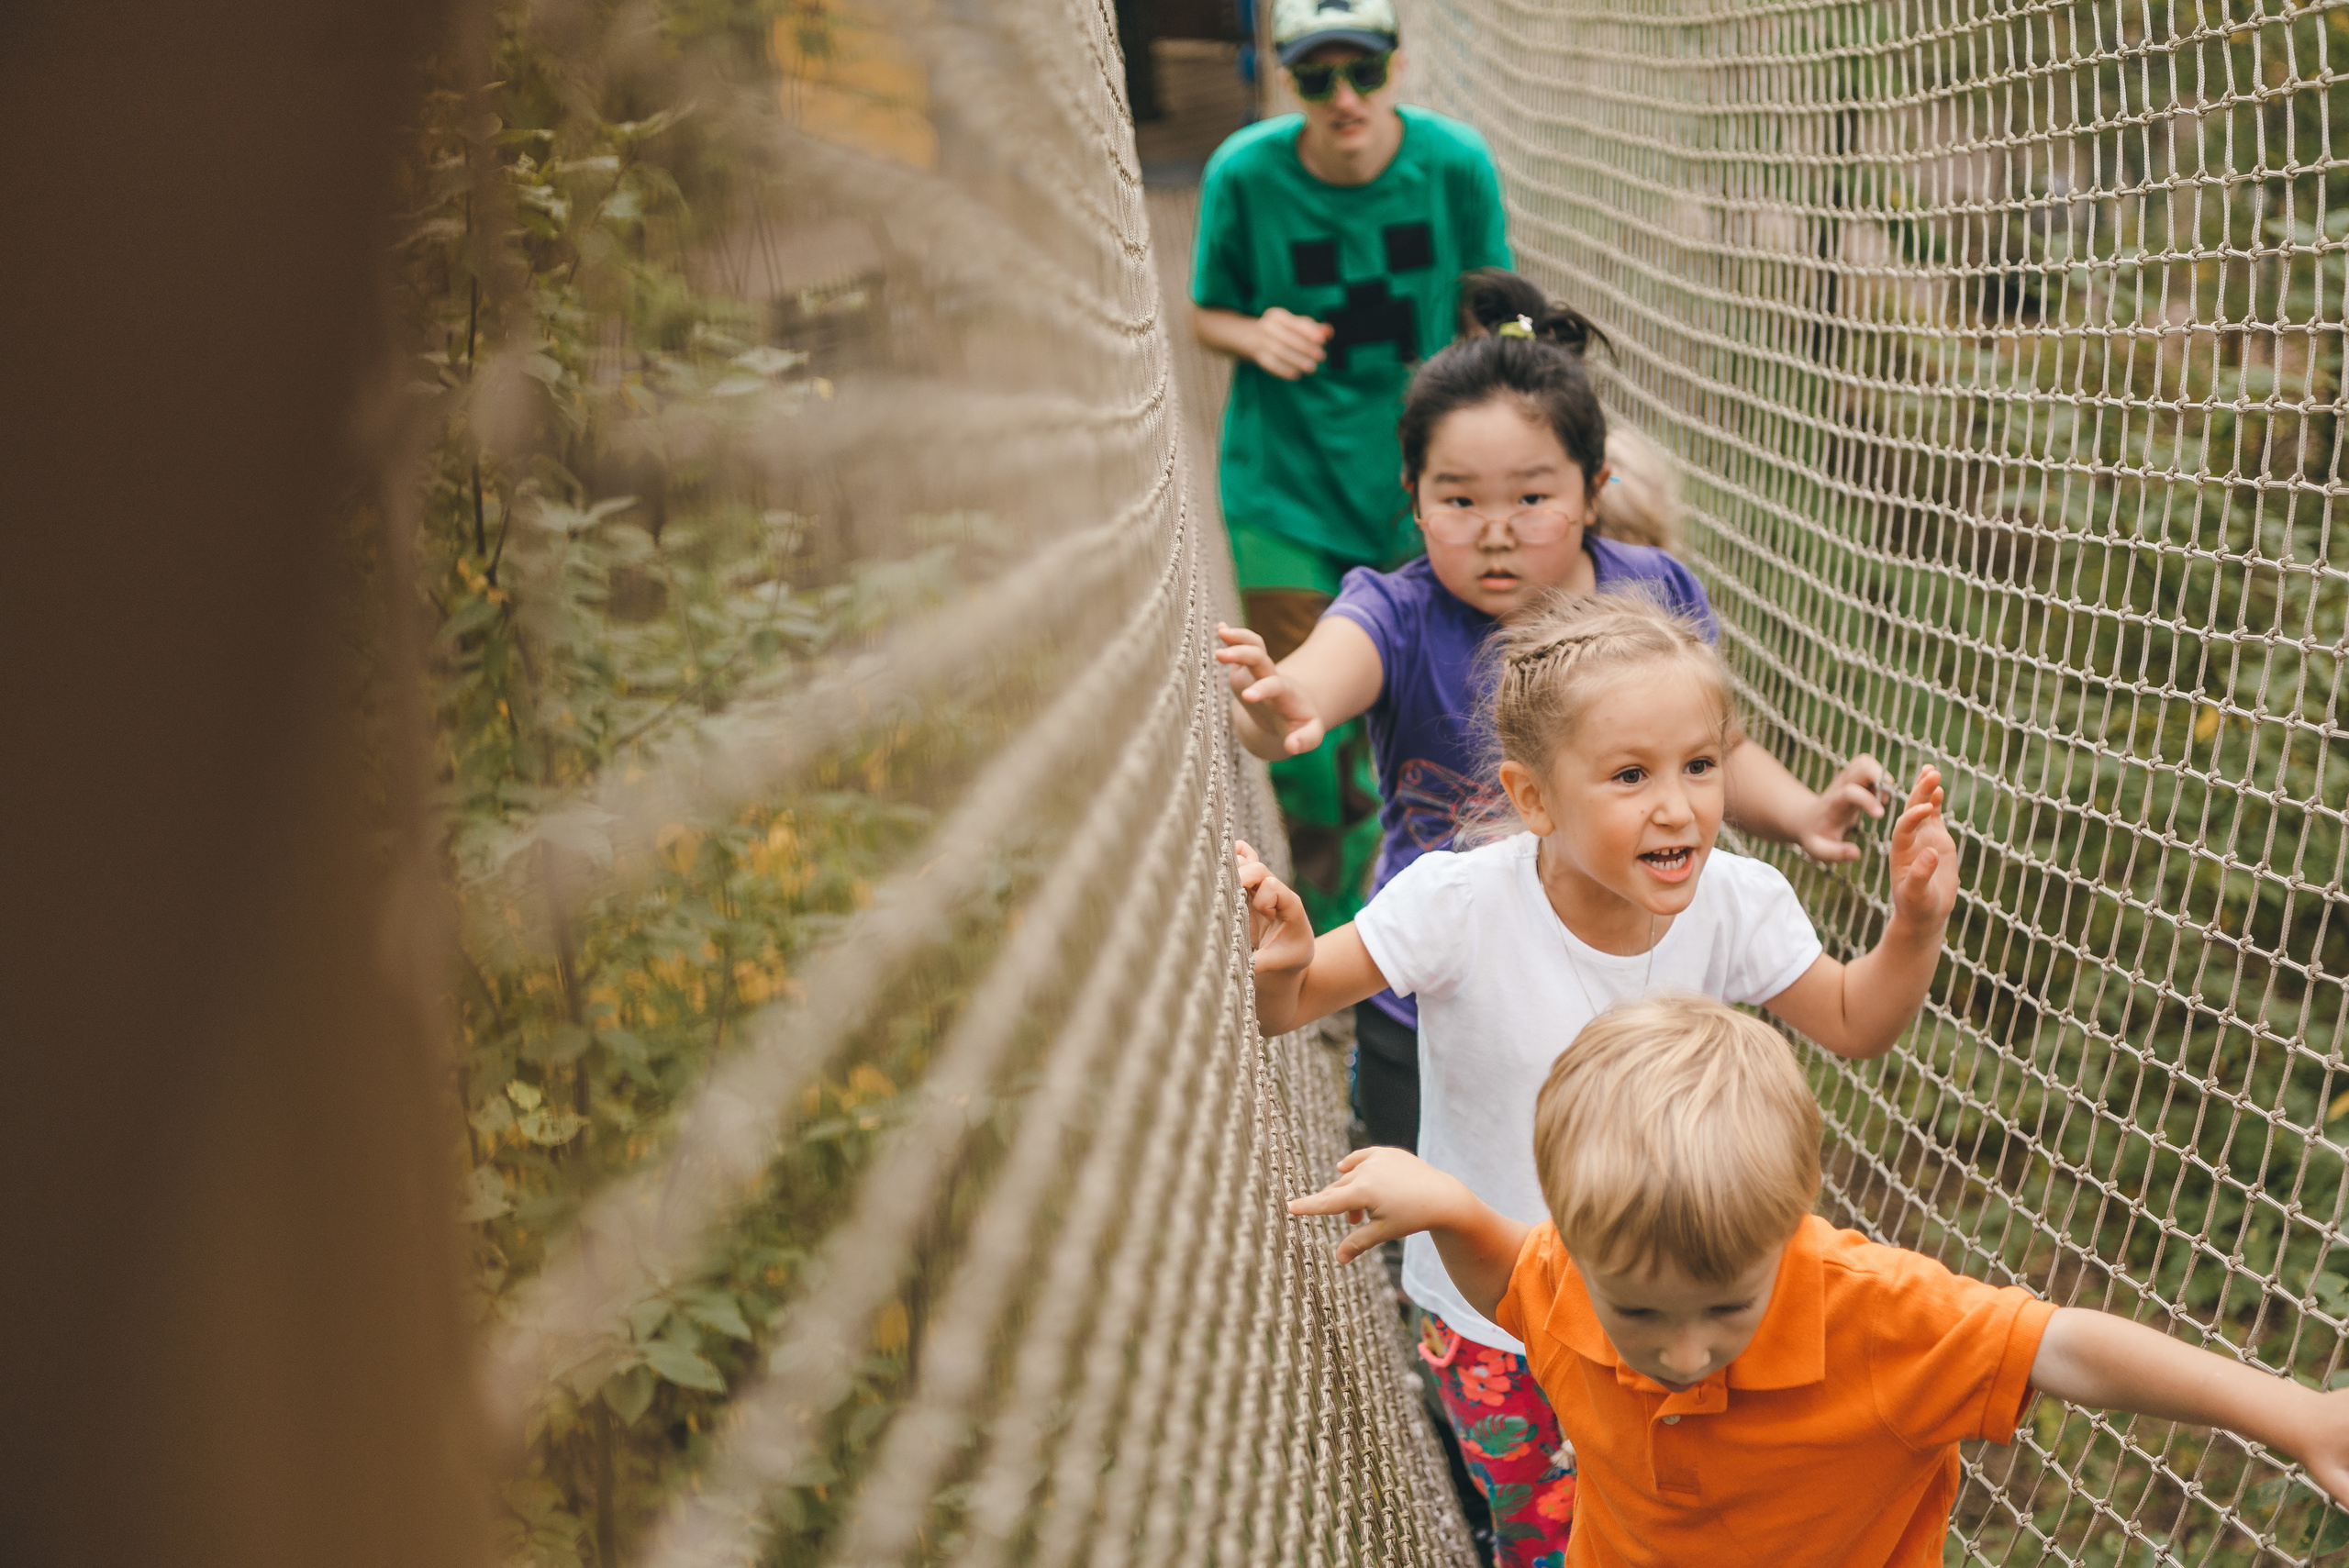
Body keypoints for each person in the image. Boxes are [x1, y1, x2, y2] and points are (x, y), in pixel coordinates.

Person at [1231, 592, 1959, 1562]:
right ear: (1533, 798)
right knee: (1547, 1540)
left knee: (1672, 1527)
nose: (1679, 804)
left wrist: (1912, 925)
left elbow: (1852, 1018)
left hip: (1668, 1308)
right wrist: (1282, 956)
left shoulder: (1735, 900)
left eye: (1700, 766)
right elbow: (1288, 1004)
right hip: (1496, 1323)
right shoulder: (1459, 905)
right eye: (1629, 774)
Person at [1288, 993, 2349, 1566]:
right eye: (1642, 1313)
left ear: (1786, 1229)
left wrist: (2291, 1411)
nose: (1684, 1349)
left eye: (1727, 1307)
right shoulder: (1581, 1264)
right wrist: (1455, 1206)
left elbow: (2062, 1346)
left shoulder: (1877, 1313)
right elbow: (1517, 1275)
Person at [1216, 294, 1887, 1155]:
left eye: (1533, 497)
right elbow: (1304, 694)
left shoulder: (1652, 591)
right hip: (1433, 994)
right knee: (1439, 1226)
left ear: (1594, 490)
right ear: (1413, 499)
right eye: (1457, 501)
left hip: (1625, 986)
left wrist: (1801, 812)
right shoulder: (1399, 612)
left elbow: (1717, 747)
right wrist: (1277, 705)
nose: (1496, 533)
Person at [1192, 0, 1511, 933]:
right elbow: (1205, 312)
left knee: (1417, 703)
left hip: (1415, 494)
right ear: (1288, 80)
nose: (1343, 98)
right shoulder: (1242, 175)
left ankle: (1406, 917)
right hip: (1282, 487)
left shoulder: (1453, 164)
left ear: (1396, 68)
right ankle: (1329, 924)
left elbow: (1501, 312)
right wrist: (1254, 332)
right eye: (1316, 76)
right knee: (1297, 725)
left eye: (1362, 72)